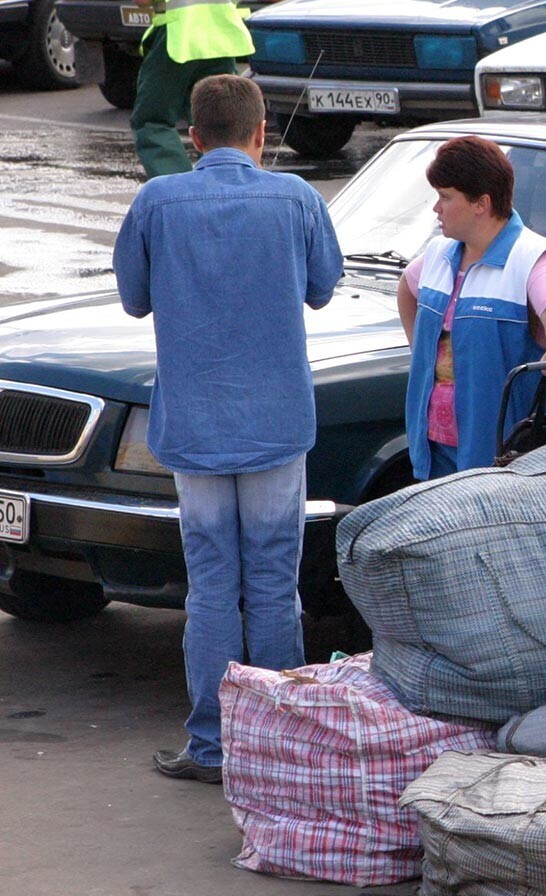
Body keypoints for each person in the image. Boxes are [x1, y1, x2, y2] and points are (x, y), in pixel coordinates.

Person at [112, 74, 343, 783]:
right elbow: (324, 286)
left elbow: (133, 299)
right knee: (273, 585)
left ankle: (212, 745)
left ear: (192, 137)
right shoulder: (298, 198)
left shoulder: (157, 201)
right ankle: (272, 749)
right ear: (261, 133)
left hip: (195, 427)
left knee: (211, 585)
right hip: (275, 423)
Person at [397, 137, 546, 480]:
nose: (436, 208)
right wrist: (422, 356)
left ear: (481, 203)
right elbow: (407, 288)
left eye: (445, 197)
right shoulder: (439, 253)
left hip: (501, 460)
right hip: (433, 447)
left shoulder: (532, 256)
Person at [127, 0, 254, 179]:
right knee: (220, 120)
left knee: (154, 121)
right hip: (221, 36)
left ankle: (179, 192)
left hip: (178, 38)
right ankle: (228, 183)